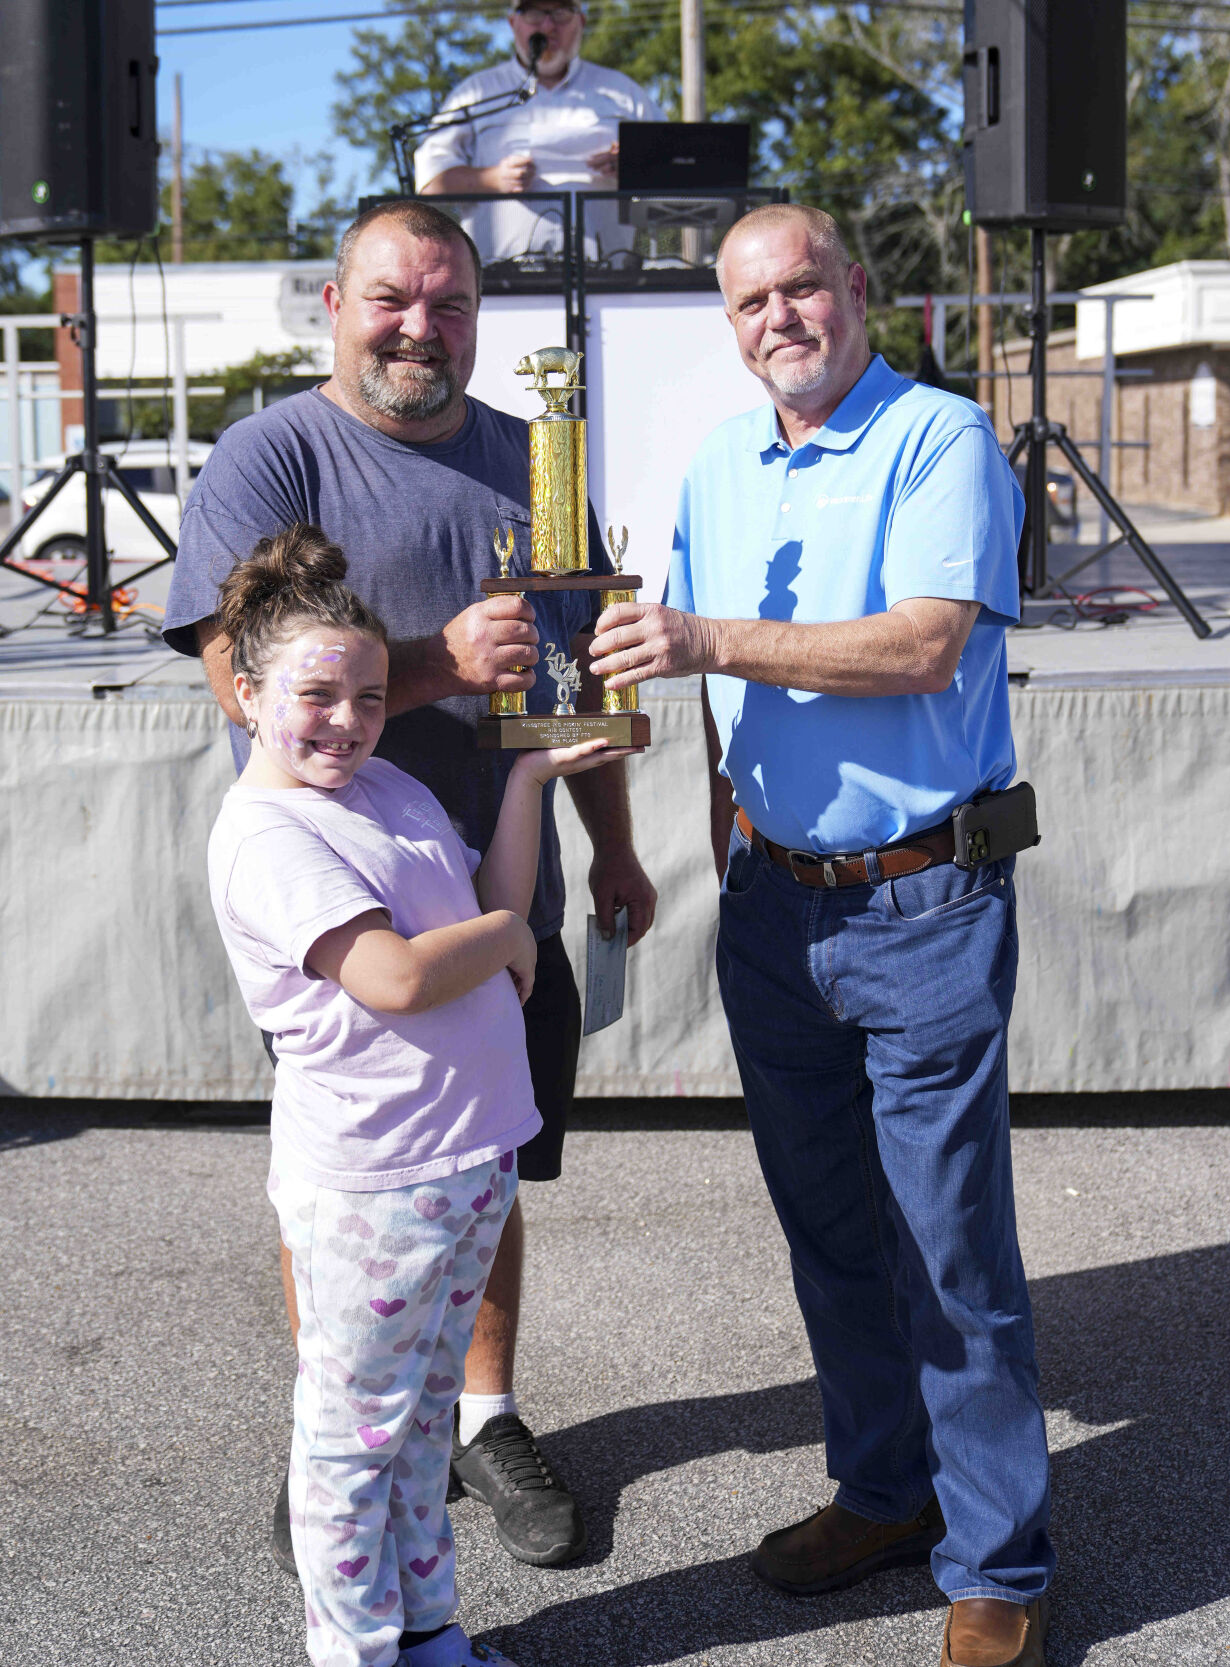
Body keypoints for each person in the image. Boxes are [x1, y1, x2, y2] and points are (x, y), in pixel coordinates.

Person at [589, 202, 1054, 1667]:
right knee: (830, 1236)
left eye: (801, 287)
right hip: (775, 905)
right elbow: (710, 692)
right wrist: (721, 823)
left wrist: (705, 641)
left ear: (856, 290)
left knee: (943, 1249)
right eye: (748, 303)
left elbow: (920, 640)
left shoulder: (937, 438)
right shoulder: (720, 463)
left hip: (921, 900)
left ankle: (998, 1567)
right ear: (726, 328)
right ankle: (884, 1489)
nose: (777, 316)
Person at [163, 198, 657, 1573]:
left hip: (505, 904)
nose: (417, 328)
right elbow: (233, 673)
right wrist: (435, 665)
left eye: (446, 305)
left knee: (488, 1167)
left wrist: (611, 839)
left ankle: (479, 1413)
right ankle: (342, 1420)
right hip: (347, 919)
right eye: (391, 298)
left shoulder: (529, 457)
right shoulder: (274, 455)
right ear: (333, 301)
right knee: (342, 1185)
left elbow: (577, 672)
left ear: (476, 316)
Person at [209, 524, 631, 1667]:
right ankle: (357, 1650)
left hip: (463, 1159)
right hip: (375, 1182)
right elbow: (396, 973)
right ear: (246, 694)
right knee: (351, 1440)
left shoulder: (382, 782)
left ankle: (429, 1629)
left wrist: (532, 773)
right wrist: (505, 940)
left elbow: (483, 896)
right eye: (316, 694)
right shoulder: (266, 832)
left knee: (418, 1433)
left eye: (369, 696)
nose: (346, 720)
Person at [415, 0, 661, 262]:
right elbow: (430, 180)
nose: (548, 26)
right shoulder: (477, 93)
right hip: (501, 287)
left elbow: (679, 169)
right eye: (534, 13)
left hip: (607, 283)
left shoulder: (624, 93)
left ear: (581, 21)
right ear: (513, 23)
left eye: (561, 13)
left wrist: (634, 166)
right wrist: (492, 179)